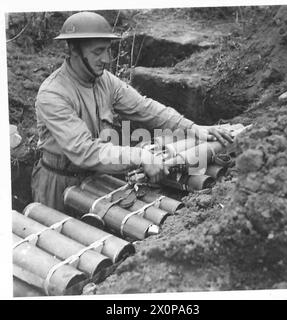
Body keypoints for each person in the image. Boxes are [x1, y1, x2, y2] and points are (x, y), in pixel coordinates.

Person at [32, 11, 233, 211]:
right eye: (97, 52)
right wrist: (141, 156)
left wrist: (192, 128)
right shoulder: (53, 94)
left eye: (108, 50)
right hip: (58, 183)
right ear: (74, 50)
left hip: (98, 177)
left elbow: (145, 108)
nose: (107, 58)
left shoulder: (105, 80)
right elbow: (84, 151)